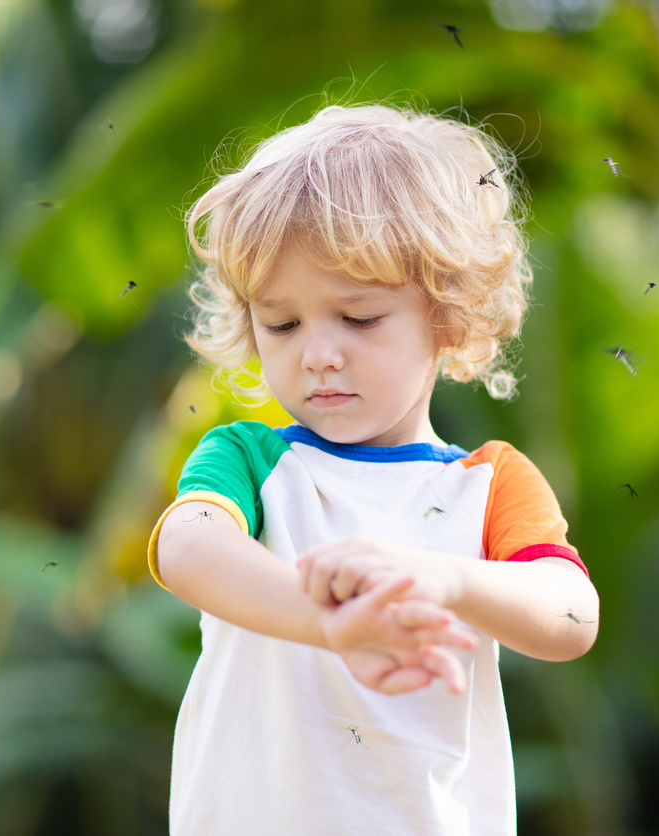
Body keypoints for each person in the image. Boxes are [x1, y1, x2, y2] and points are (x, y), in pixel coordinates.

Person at [149, 103, 599, 835]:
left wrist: (449, 579)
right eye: (282, 323)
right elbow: (188, 549)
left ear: (449, 317)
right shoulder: (250, 460)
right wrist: (333, 623)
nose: (318, 353)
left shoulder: (487, 484)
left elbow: (573, 617)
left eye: (358, 319)